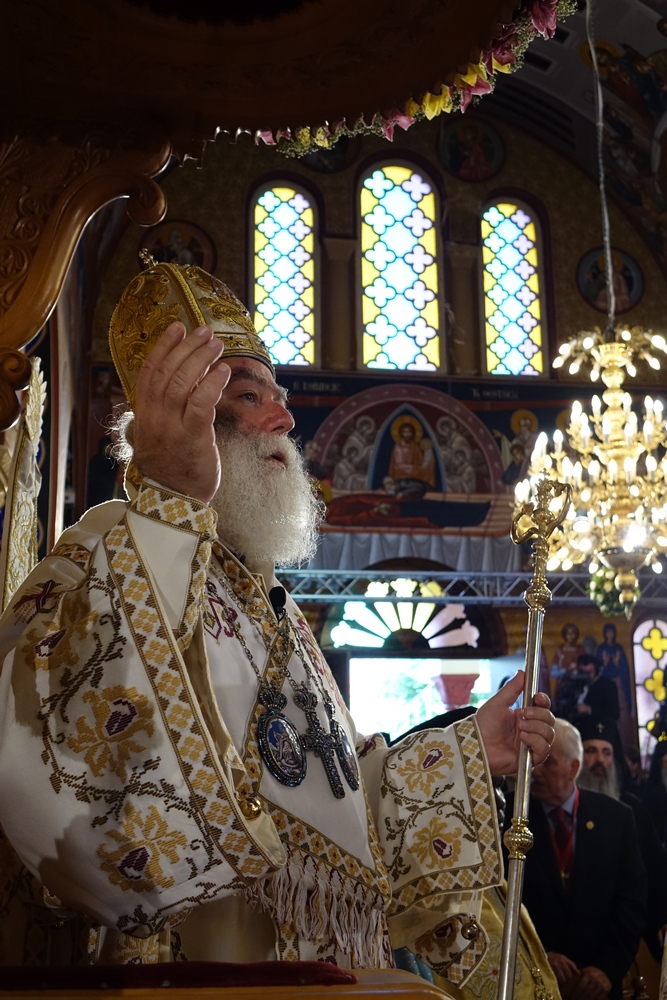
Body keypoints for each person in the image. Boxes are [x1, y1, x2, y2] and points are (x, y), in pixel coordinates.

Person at [0, 258, 555, 974]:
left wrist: (466, 750)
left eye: (279, 396)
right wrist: (170, 502)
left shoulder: (272, 607)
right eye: (249, 393)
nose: (285, 418)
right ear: (181, 407)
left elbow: (340, 802)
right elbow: (70, 773)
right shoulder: (106, 554)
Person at [504, 718, 646, 1000]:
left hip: (599, 986)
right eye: (533, 761)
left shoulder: (616, 817)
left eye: (548, 762)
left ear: (573, 768)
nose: (535, 772)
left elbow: (632, 901)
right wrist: (538, 956)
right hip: (533, 983)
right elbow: (500, 902)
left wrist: (606, 969)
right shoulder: (508, 817)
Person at [575, 715, 667, 965]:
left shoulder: (633, 808)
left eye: (606, 753)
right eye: (591, 751)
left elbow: (656, 869)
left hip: (632, 934)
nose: (599, 761)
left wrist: (662, 916)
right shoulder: (563, 812)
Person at [554, 653, 619, 724]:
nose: (586, 675)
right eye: (582, 672)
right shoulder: (574, 684)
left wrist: (589, 709)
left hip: (600, 729)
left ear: (596, 670)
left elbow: (614, 713)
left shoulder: (607, 685)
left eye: (589, 672)